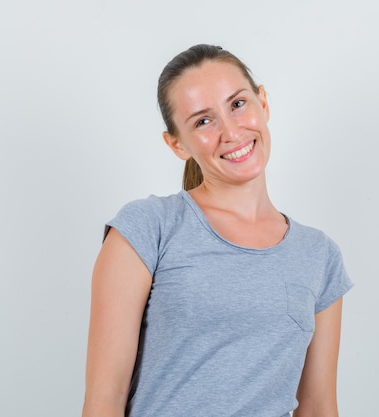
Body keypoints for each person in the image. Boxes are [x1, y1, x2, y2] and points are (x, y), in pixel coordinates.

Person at [82, 44, 353, 417]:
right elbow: (103, 401)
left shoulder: (319, 255)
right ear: (177, 143)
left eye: (238, 104)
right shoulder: (147, 228)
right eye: (203, 121)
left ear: (264, 102)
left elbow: (319, 406)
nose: (231, 131)